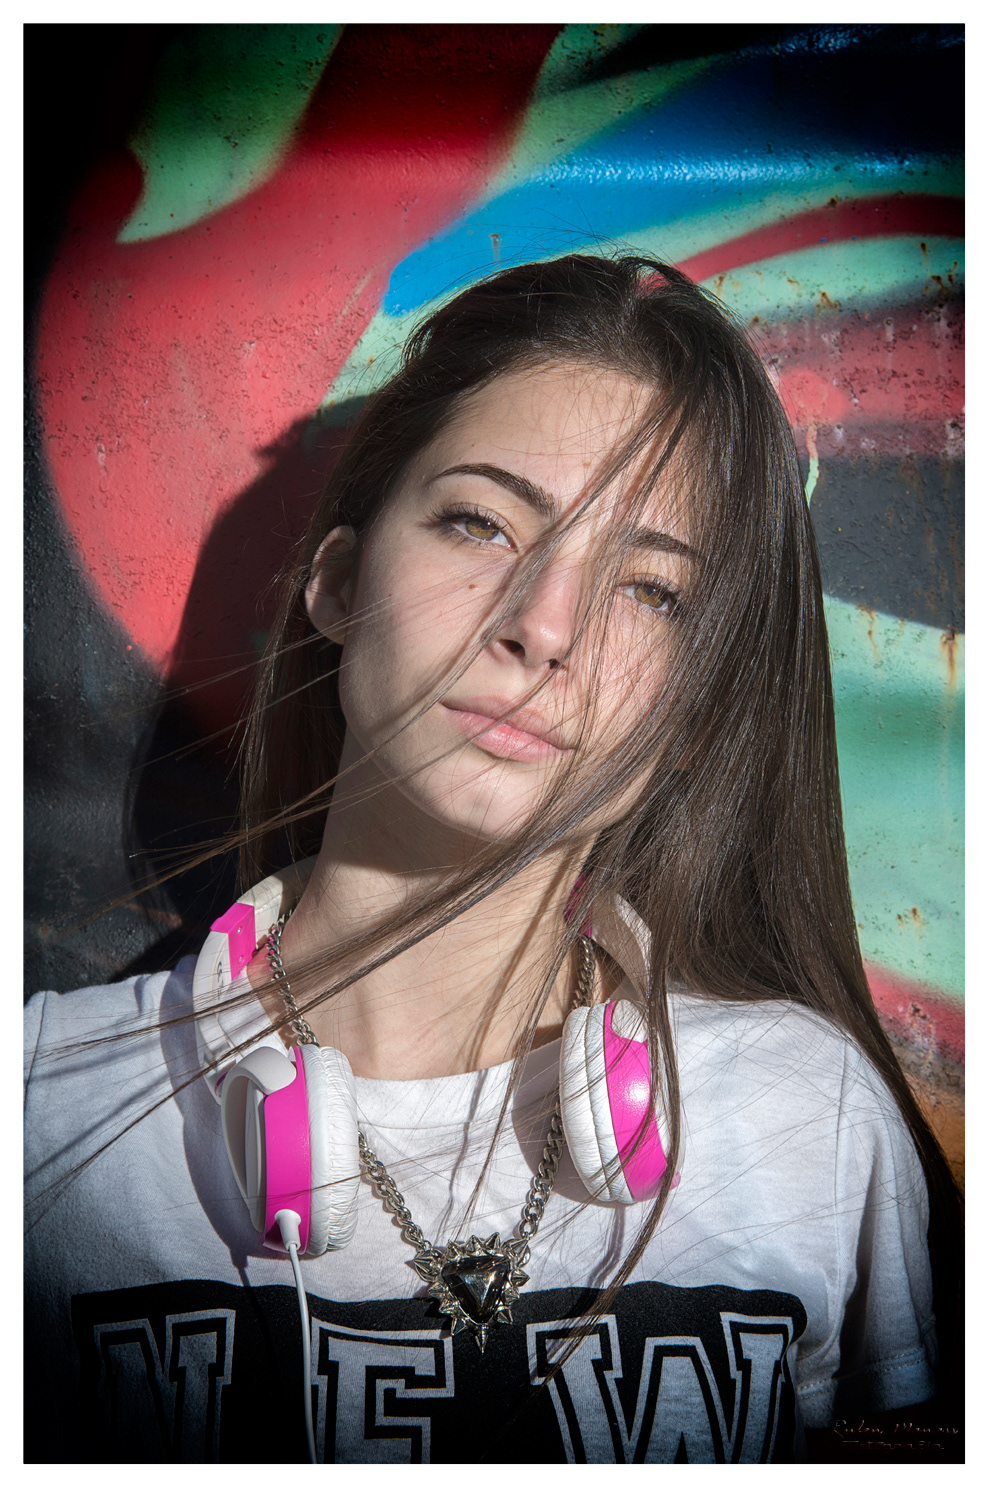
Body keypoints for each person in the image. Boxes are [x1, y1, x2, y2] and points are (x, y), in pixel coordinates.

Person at [24, 254, 959, 1465]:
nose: (544, 627)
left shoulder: (808, 1120)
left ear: (692, 710)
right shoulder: (42, 1110)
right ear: (339, 583)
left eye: (651, 590)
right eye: (480, 523)